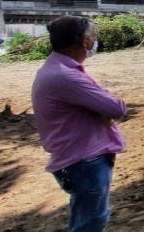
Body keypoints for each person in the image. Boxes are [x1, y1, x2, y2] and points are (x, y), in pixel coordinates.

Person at [31, 16, 127, 231]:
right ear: (85, 42)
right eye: (94, 36)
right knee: (91, 222)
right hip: (85, 161)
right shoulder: (66, 77)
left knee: (86, 215)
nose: (96, 40)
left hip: (77, 158)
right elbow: (116, 108)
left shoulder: (57, 69)